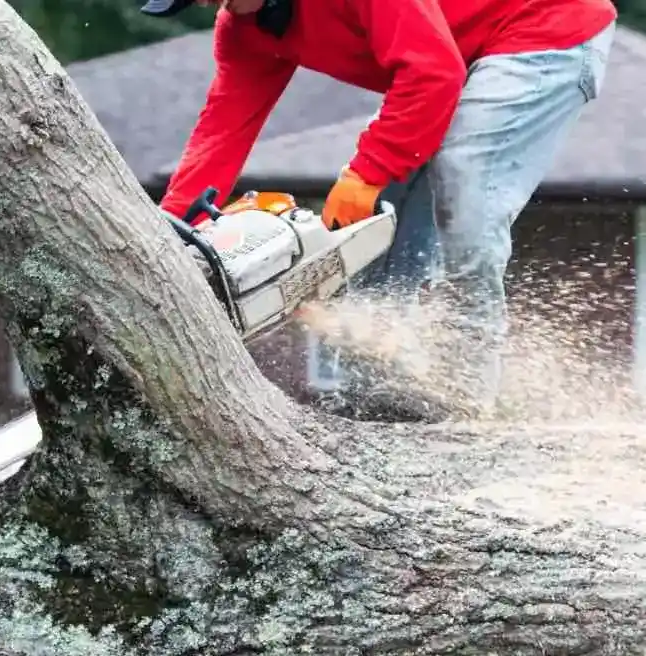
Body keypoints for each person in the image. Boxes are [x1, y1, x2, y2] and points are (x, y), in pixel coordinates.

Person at [143, 0, 617, 418]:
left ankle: (470, 393)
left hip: (545, 30)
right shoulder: (243, 29)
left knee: (464, 181)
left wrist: (366, 173)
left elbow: (432, 74)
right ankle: (373, 393)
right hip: (457, 56)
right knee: (374, 221)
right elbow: (222, 131)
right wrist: (170, 237)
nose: (208, 4)